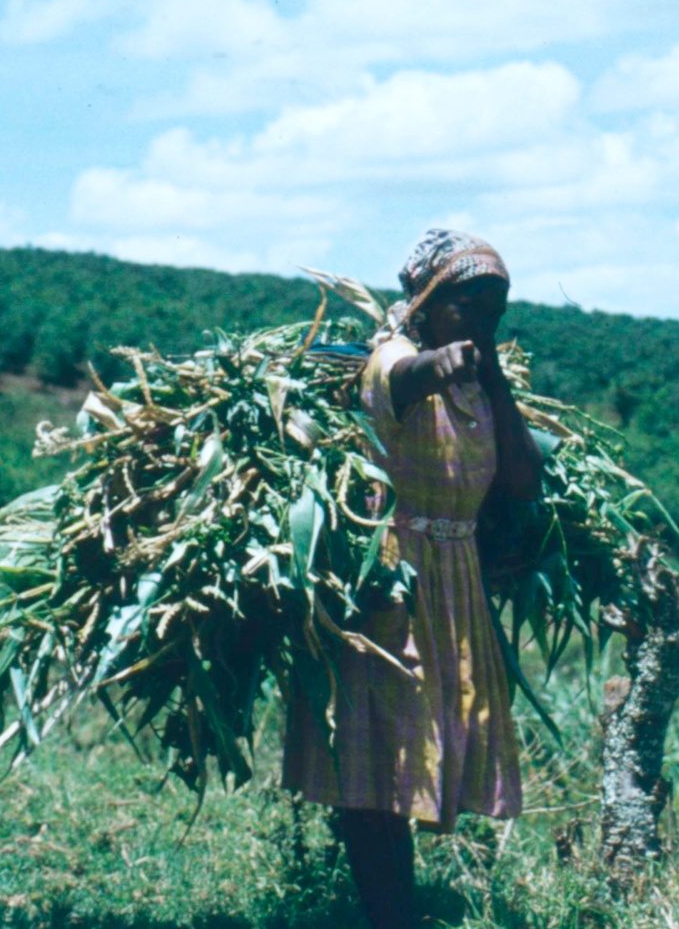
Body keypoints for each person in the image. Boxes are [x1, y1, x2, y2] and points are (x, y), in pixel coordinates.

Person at [283, 229, 543, 929]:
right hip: (390, 588)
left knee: (419, 754)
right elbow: (399, 381)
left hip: (453, 585)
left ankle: (394, 909)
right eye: (466, 308)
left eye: (495, 312)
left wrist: (490, 376)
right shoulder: (395, 358)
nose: (482, 325)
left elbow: (521, 479)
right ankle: (389, 914)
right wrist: (443, 360)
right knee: (378, 760)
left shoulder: (479, 386)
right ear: (426, 305)